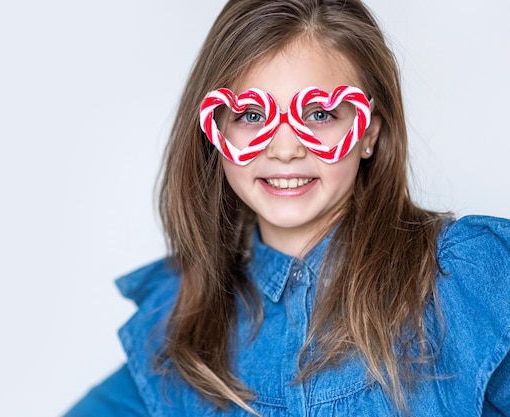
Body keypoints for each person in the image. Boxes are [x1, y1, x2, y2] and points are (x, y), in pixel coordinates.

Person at [63, 0, 510, 415]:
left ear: (369, 133)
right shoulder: (182, 325)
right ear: (215, 132)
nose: (284, 149)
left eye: (319, 114)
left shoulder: (463, 282)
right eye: (251, 116)